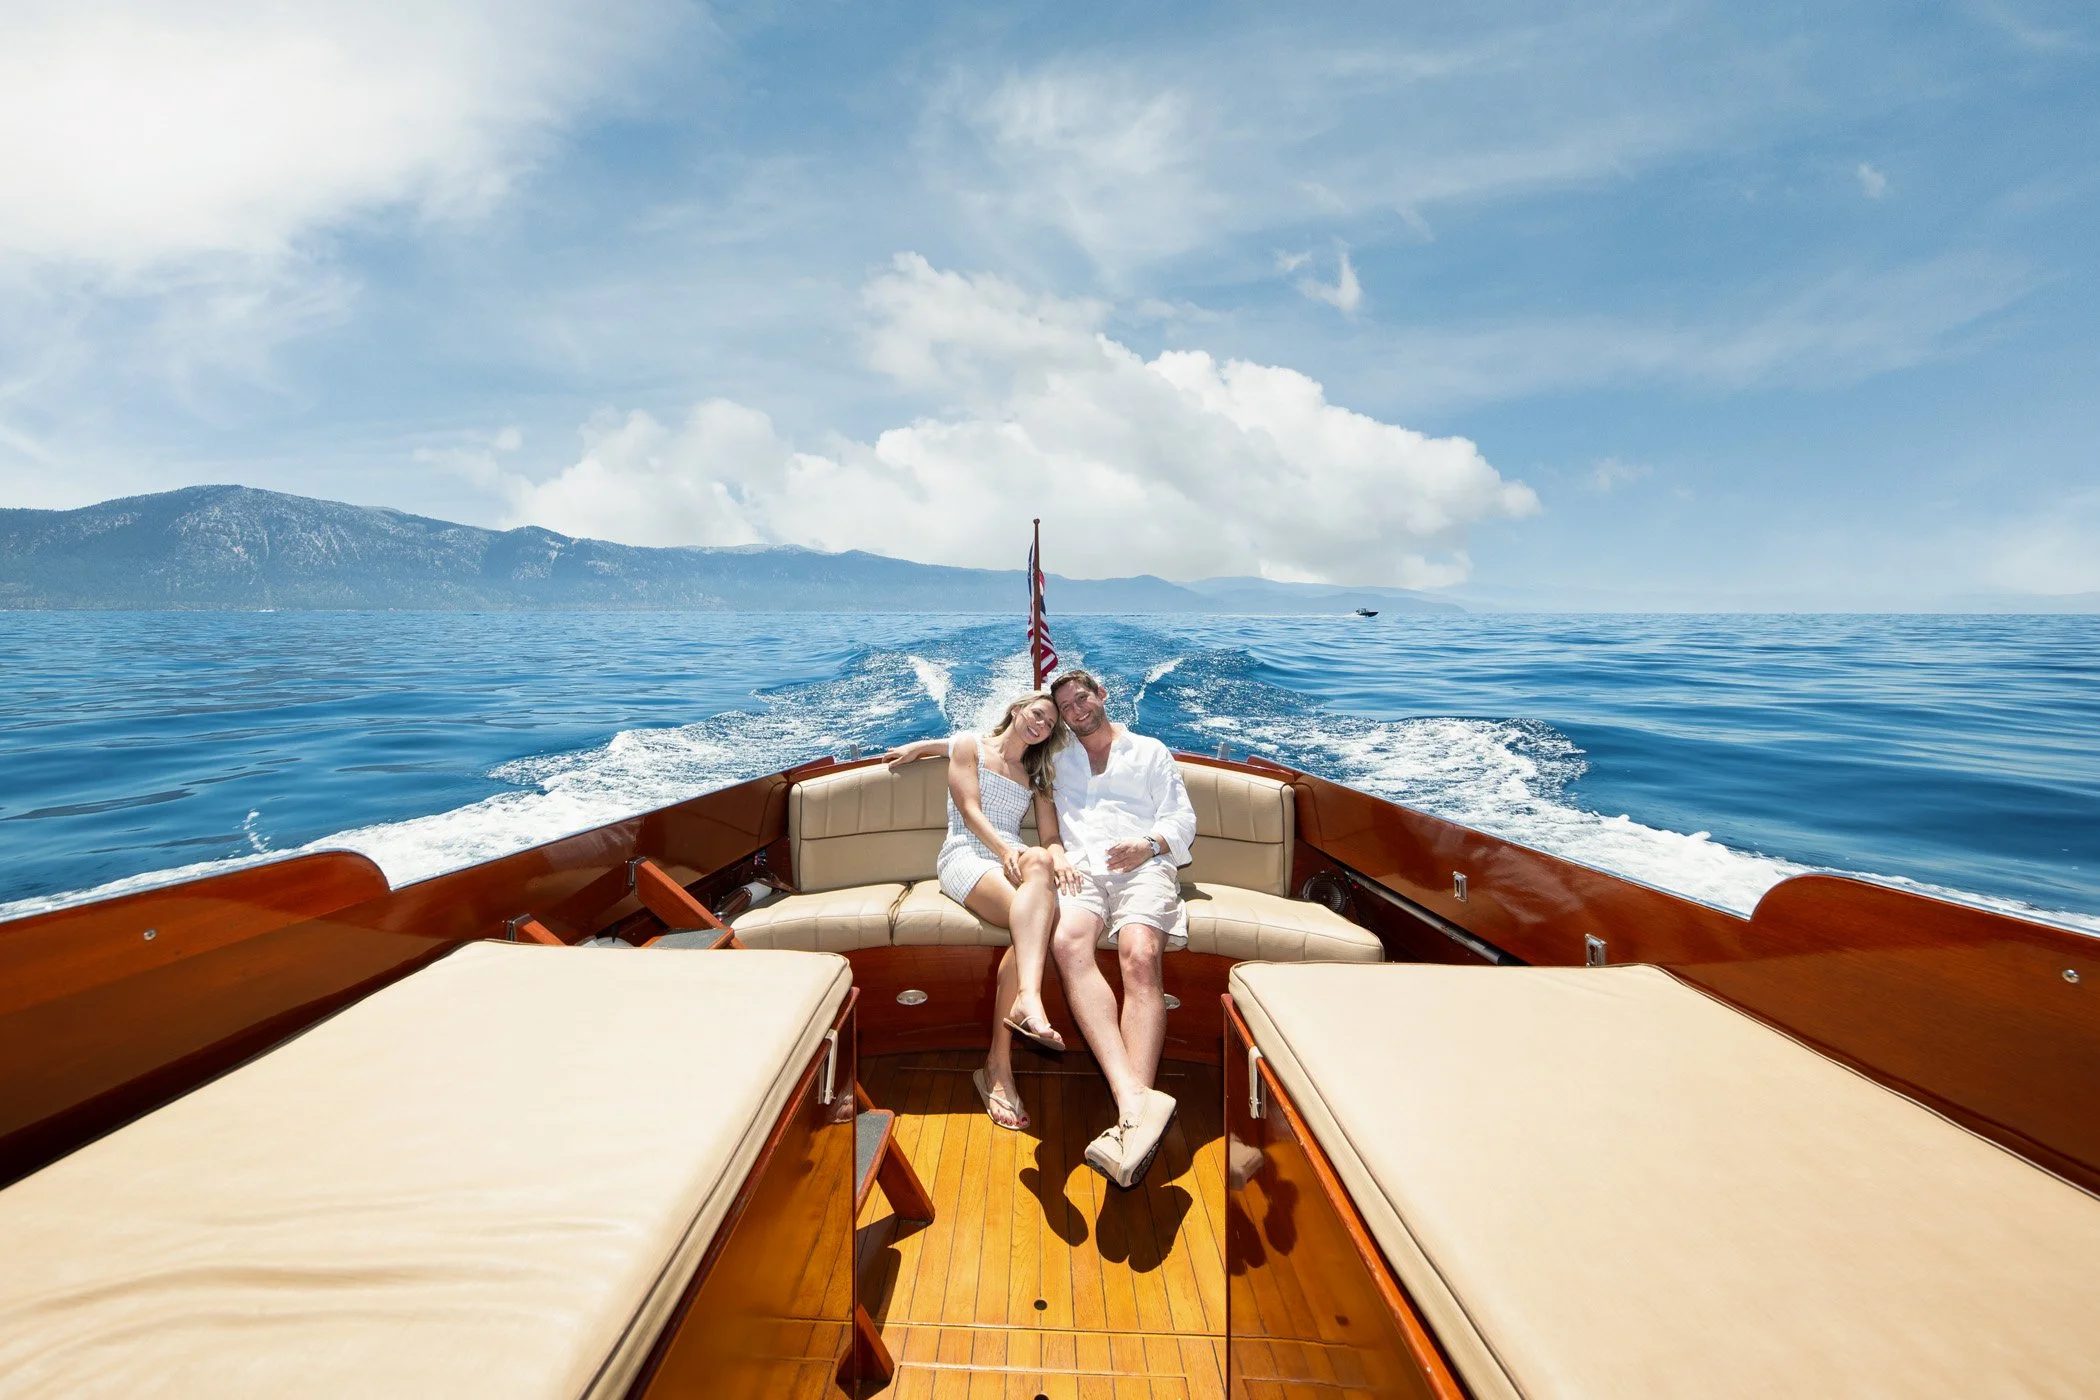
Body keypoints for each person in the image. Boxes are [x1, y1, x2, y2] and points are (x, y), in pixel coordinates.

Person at [883, 691, 1071, 1133]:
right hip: (967, 853)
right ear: (1016, 709)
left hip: (1016, 857)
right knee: (1036, 924)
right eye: (1037, 714)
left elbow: (1048, 836)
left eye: (1048, 725)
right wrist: (1005, 850)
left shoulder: (1039, 775)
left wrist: (1057, 856)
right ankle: (999, 1066)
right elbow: (968, 811)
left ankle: (1020, 1012)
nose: (1040, 726)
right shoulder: (970, 745)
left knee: (1040, 868)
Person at [1042, 667, 1195, 1190]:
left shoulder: (1149, 751)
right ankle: (1136, 1104)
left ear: (1101, 695)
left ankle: (1132, 1119)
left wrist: (1148, 845)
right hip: (1082, 871)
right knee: (1066, 942)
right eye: (1065, 707)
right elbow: (994, 747)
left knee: (1138, 953)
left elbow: (1181, 820)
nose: (1076, 711)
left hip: (1142, 867)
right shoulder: (1058, 759)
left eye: (1081, 699)